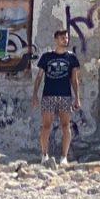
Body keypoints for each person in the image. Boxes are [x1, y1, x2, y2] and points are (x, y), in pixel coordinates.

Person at [32, 29, 81, 167]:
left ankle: (64, 157)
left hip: (65, 96)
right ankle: (44, 155)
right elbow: (39, 77)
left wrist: (77, 98)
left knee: (66, 126)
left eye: (66, 38)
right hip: (48, 95)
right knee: (46, 126)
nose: (65, 40)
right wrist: (35, 95)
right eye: (62, 38)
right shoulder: (46, 57)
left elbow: (74, 79)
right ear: (56, 39)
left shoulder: (72, 58)